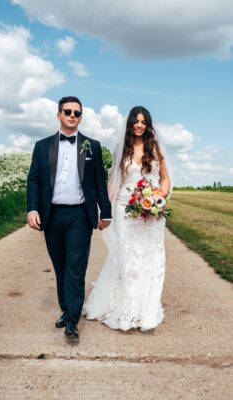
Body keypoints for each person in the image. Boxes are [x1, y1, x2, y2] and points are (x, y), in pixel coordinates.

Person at [27, 96, 111, 339]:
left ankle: (73, 321)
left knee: (76, 266)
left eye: (77, 113)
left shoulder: (92, 146)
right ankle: (66, 309)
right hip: (51, 215)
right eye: (68, 111)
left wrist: (105, 212)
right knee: (61, 265)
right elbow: (33, 180)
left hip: (79, 215)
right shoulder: (42, 146)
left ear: (80, 117)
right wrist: (32, 209)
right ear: (58, 115)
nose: (72, 115)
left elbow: (99, 181)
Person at [83, 106, 171, 331]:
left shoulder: (156, 148)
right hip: (125, 208)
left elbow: (164, 179)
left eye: (143, 121)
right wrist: (107, 212)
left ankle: (145, 311)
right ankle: (127, 309)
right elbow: (114, 182)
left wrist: (158, 196)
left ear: (148, 124)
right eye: (136, 121)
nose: (139, 125)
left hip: (151, 212)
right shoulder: (121, 149)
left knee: (151, 260)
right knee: (127, 259)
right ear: (130, 124)